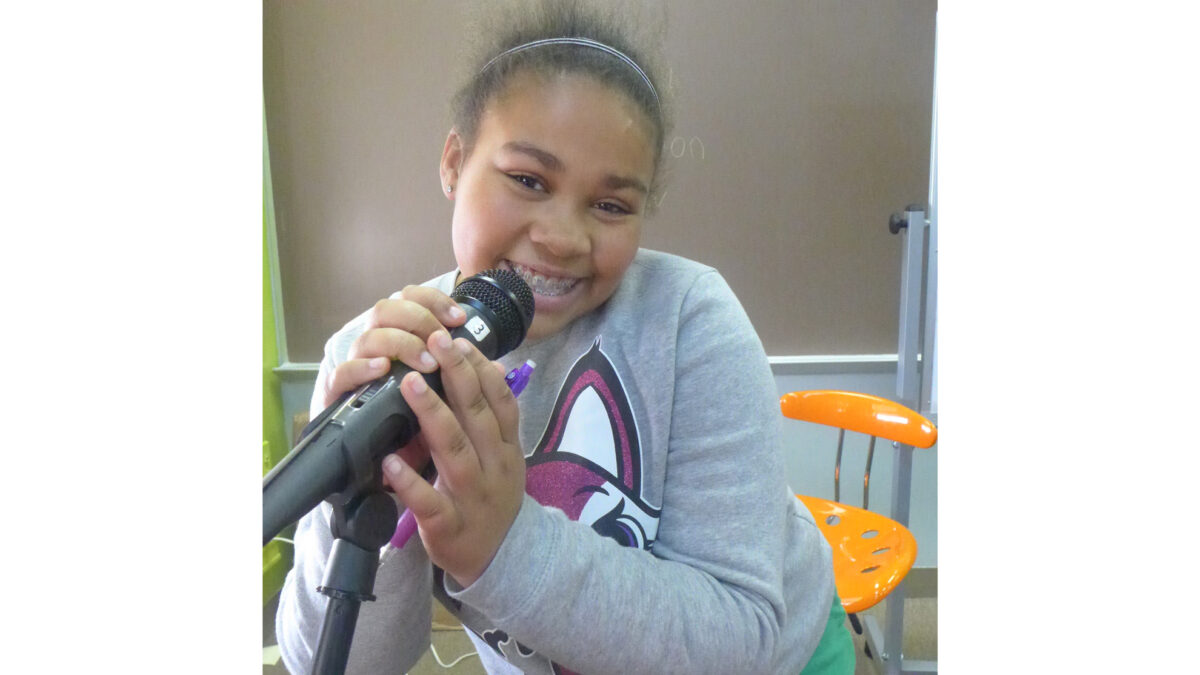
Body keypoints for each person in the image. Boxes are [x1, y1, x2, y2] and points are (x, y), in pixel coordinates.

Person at [276, 1, 854, 672]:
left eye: (610, 205)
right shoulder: (370, 360)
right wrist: (355, 507)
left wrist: (506, 547)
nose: (561, 237)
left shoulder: (692, 325)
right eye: (527, 180)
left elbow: (738, 638)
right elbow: (350, 662)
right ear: (455, 162)